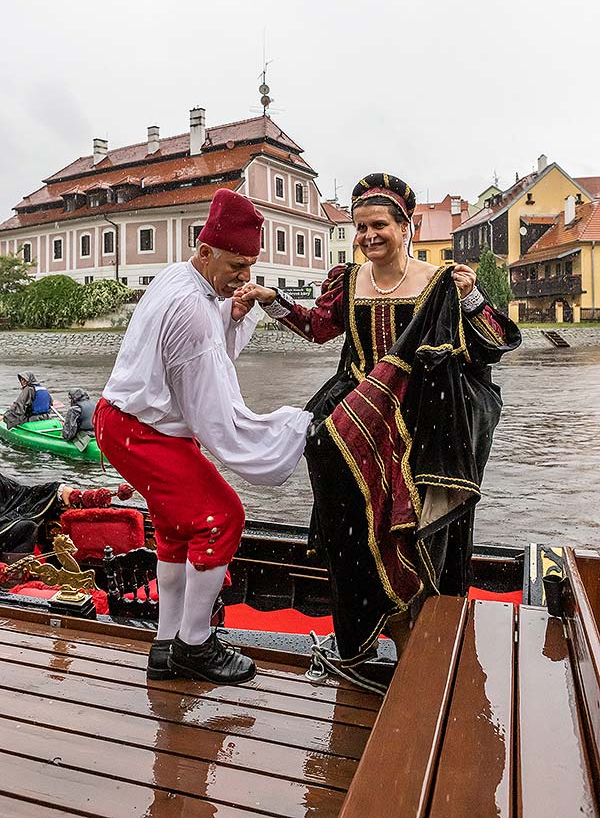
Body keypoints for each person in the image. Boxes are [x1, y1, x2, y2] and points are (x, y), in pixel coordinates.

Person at [240, 172, 521, 667]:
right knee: (359, 537)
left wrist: (473, 297)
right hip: (357, 424)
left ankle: (428, 642)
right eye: (360, 227)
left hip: (422, 426)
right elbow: (319, 328)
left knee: (416, 535)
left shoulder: (442, 282)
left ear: (405, 225)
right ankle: (387, 638)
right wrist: (273, 302)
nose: (368, 237)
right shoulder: (347, 281)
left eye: (378, 226)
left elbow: (493, 345)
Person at [94, 189, 312, 685]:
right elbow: (215, 417)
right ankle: (195, 644)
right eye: (237, 264)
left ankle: (165, 645)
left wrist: (231, 313)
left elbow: (201, 348)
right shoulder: (193, 310)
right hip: (142, 431)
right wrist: (291, 428)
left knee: (176, 529)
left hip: (124, 421)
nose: (245, 277)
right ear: (206, 250)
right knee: (221, 517)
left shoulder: (178, 275)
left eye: (251, 265)